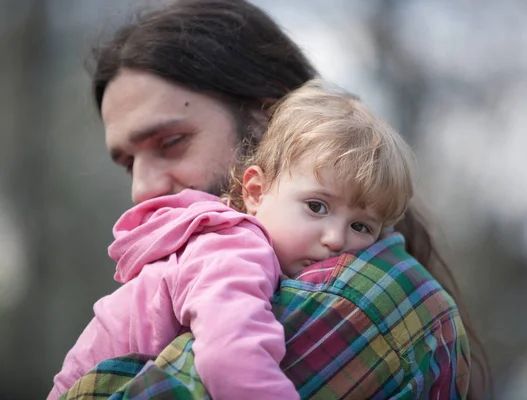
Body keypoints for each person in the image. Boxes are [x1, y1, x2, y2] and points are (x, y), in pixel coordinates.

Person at [53, 0, 489, 398]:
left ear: (268, 124)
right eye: (129, 162)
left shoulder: (352, 297)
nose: (142, 189)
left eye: (172, 142)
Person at [49, 79, 417, 400]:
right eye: (317, 206)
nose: (336, 239)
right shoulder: (234, 246)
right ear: (256, 192)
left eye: (361, 227)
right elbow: (231, 355)